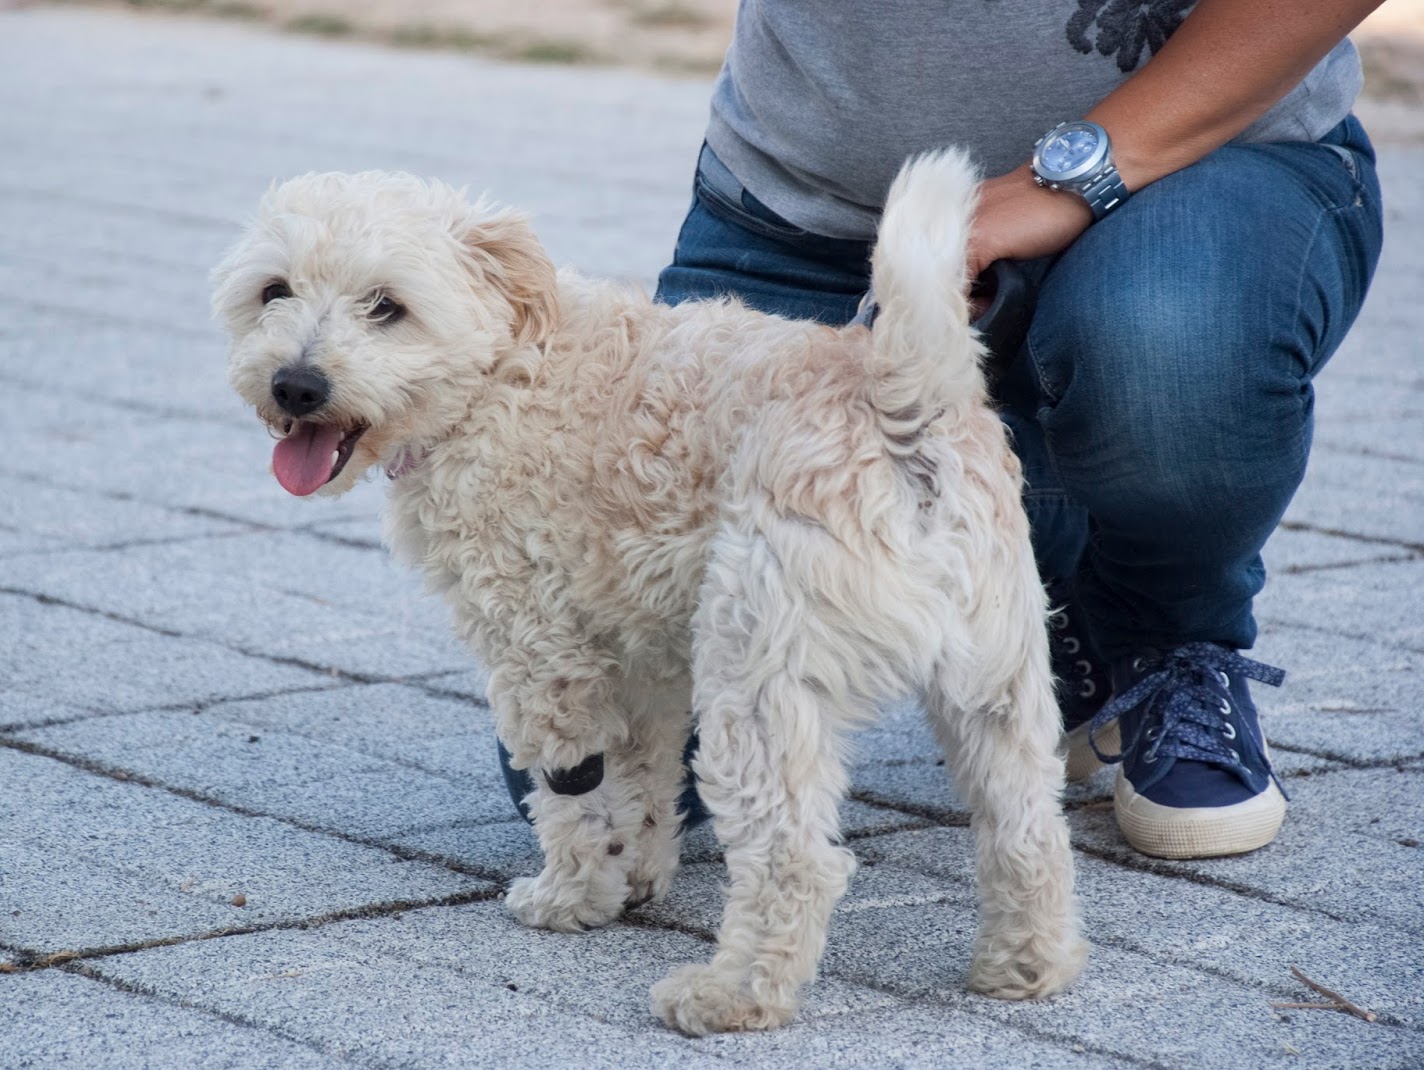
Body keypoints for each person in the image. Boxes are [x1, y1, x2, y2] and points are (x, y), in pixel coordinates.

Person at [504, 0, 1385, 860]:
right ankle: (1043, 581)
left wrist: (1070, 176)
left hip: (1195, 172)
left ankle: (1167, 629)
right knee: (601, 749)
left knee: (1164, 352)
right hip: (809, 214)